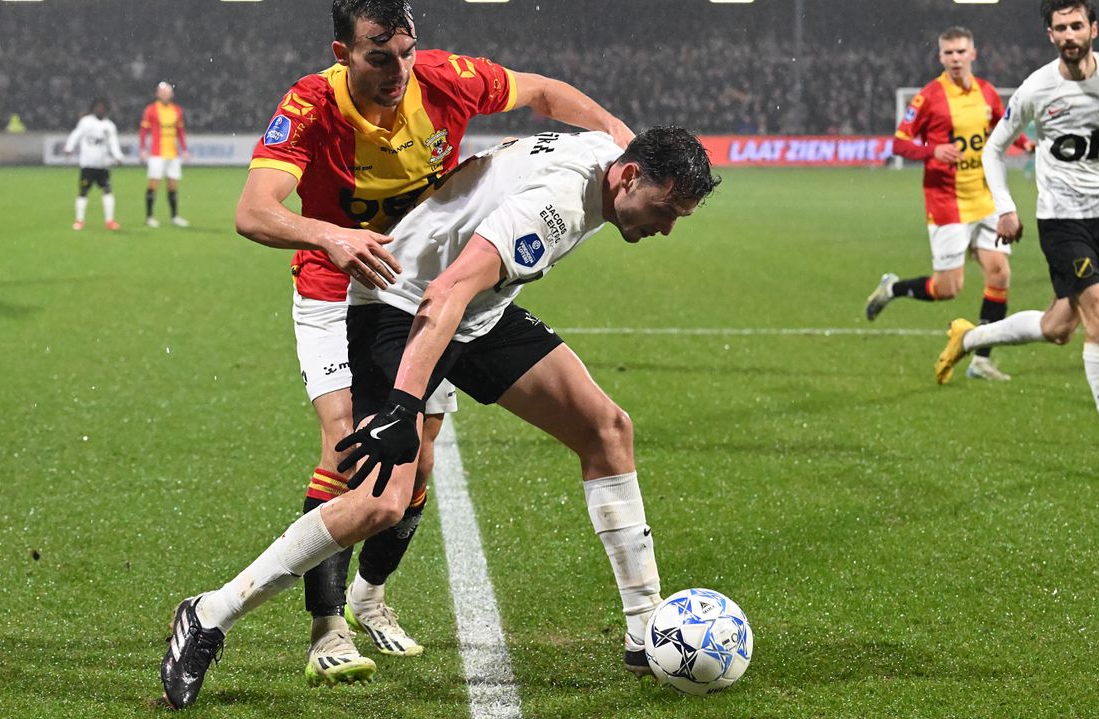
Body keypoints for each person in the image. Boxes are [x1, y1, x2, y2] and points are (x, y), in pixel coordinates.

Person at [161, 126, 718, 710]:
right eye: (665, 209)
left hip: (477, 310)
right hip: (401, 306)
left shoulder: (612, 151)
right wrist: (403, 405)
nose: (667, 227)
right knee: (382, 502)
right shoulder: (553, 207)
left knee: (607, 430)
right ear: (628, 177)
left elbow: (581, 117)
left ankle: (644, 626)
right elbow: (445, 292)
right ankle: (208, 614)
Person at [229, 0, 636, 687]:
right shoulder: (307, 105)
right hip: (337, 290)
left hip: (418, 291)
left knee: (417, 460)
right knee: (349, 447)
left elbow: (539, 92)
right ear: (342, 52)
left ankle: (371, 596)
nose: (398, 71)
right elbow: (253, 211)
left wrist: (614, 133)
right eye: (378, 57)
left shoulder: (445, 79)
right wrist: (331, 235)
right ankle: (326, 625)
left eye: (406, 53)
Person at [935, 0, 1099, 425]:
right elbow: (993, 149)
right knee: (1098, 312)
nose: (1069, 35)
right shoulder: (1037, 88)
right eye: (1060, 28)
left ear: (1093, 29)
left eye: (1076, 26)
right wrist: (1005, 208)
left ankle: (971, 337)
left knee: (1058, 328)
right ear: (1050, 35)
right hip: (1064, 221)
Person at [865, 27, 1033, 381]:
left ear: (973, 53)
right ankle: (892, 288)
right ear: (940, 57)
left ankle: (982, 359)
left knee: (1000, 273)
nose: (955, 58)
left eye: (961, 51)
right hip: (946, 202)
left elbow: (1001, 129)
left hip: (985, 197)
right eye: (948, 53)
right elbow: (899, 144)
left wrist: (1025, 145)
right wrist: (932, 151)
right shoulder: (928, 98)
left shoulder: (987, 92)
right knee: (948, 289)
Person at [64, 98, 124, 231]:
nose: (100, 109)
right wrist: (69, 147)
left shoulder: (110, 126)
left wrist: (118, 156)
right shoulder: (86, 122)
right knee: (83, 192)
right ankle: (79, 221)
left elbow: (113, 143)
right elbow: (76, 135)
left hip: (103, 166)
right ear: (93, 108)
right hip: (88, 165)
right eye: (98, 107)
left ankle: (109, 221)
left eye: (102, 107)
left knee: (107, 191)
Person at [139, 81, 189, 228]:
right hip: (157, 154)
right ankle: (149, 217)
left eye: (168, 93)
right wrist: (142, 149)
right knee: (153, 184)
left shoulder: (177, 110)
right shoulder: (151, 110)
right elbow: (143, 131)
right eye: (163, 93)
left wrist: (184, 149)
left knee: (173, 185)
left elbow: (180, 132)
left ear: (171, 94)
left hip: (172, 154)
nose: (166, 95)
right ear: (158, 94)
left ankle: (174, 217)